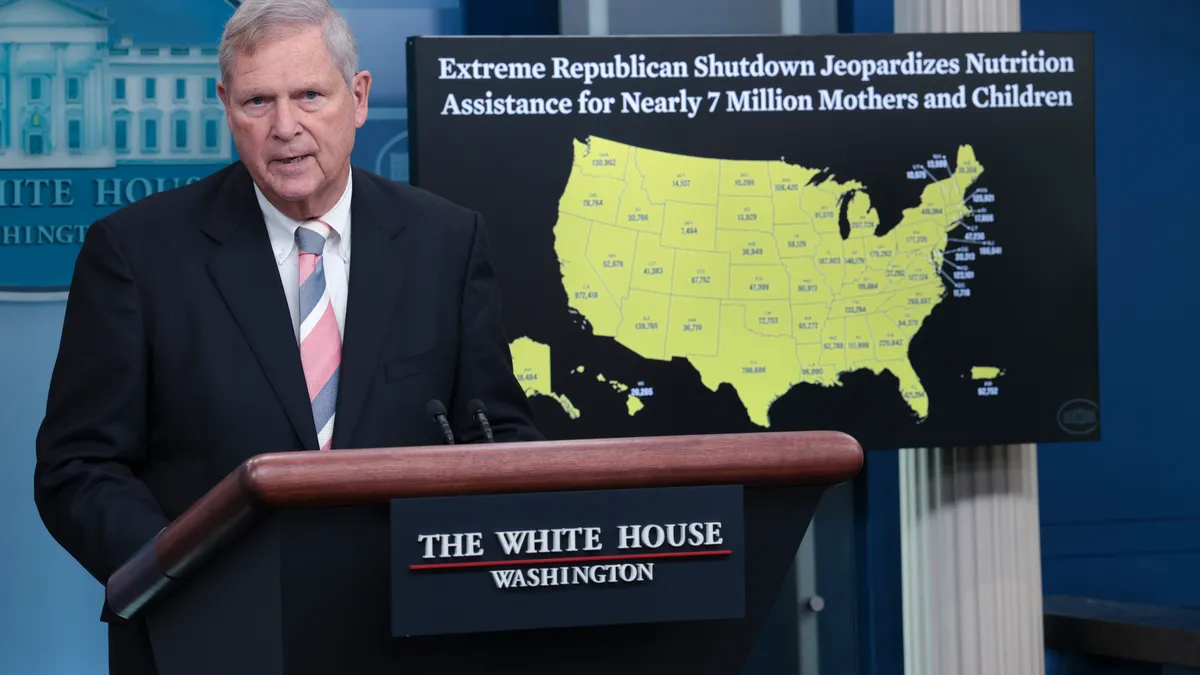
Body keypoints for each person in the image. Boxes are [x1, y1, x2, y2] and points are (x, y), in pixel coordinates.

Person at [32, 0, 542, 672]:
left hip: (415, 633)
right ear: (225, 106)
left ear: (358, 98)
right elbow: (79, 467)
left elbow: (498, 436)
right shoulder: (136, 254)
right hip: (208, 638)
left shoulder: (445, 242)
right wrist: (180, 565)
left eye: (309, 95)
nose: (285, 128)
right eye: (257, 102)